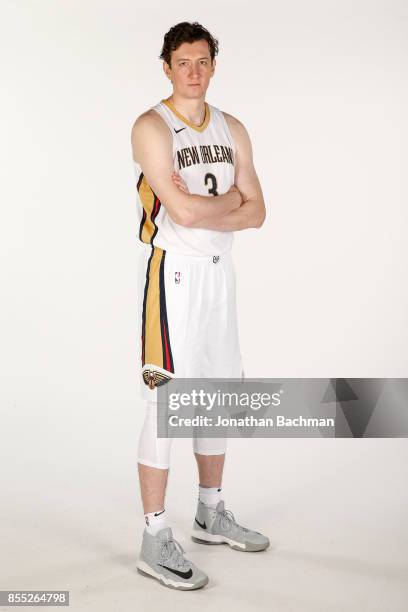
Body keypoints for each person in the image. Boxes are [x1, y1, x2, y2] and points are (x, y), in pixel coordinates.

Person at [130, 21, 268, 590]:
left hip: (218, 273)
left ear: (214, 65)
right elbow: (180, 214)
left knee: (215, 390)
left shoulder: (233, 127)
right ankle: (154, 535)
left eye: (203, 61)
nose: (194, 70)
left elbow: (258, 212)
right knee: (169, 399)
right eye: (184, 61)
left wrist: (216, 204)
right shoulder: (152, 126)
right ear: (166, 65)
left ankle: (210, 510)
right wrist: (229, 199)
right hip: (175, 275)